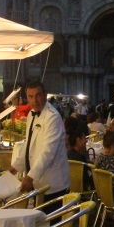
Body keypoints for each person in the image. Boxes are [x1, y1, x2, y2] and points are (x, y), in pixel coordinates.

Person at [9, 81, 70, 209]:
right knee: (40, 220)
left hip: (53, 180)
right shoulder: (31, 114)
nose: (34, 100)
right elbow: (29, 144)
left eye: (38, 95)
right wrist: (16, 166)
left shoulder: (52, 117)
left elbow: (48, 151)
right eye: (30, 96)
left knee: (51, 224)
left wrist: (30, 176)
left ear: (45, 95)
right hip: (39, 181)